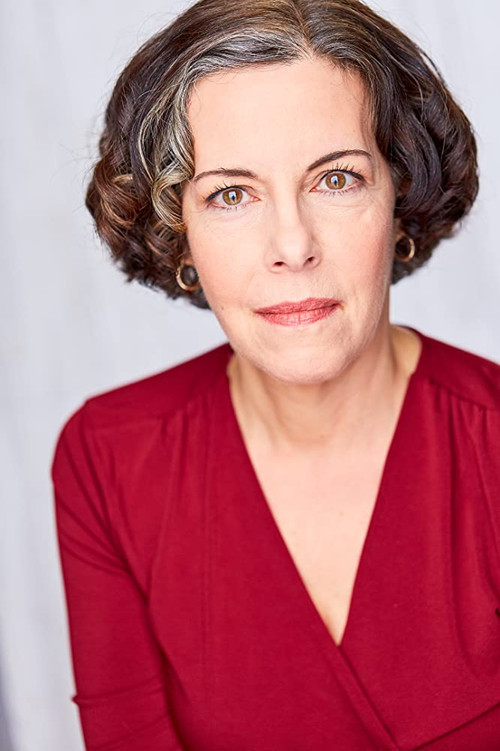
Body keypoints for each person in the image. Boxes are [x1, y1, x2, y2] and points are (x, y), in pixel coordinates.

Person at [50, 0, 500, 749]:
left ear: (400, 199)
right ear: (179, 234)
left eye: (337, 179)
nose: (292, 245)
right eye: (231, 194)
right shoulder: (109, 458)